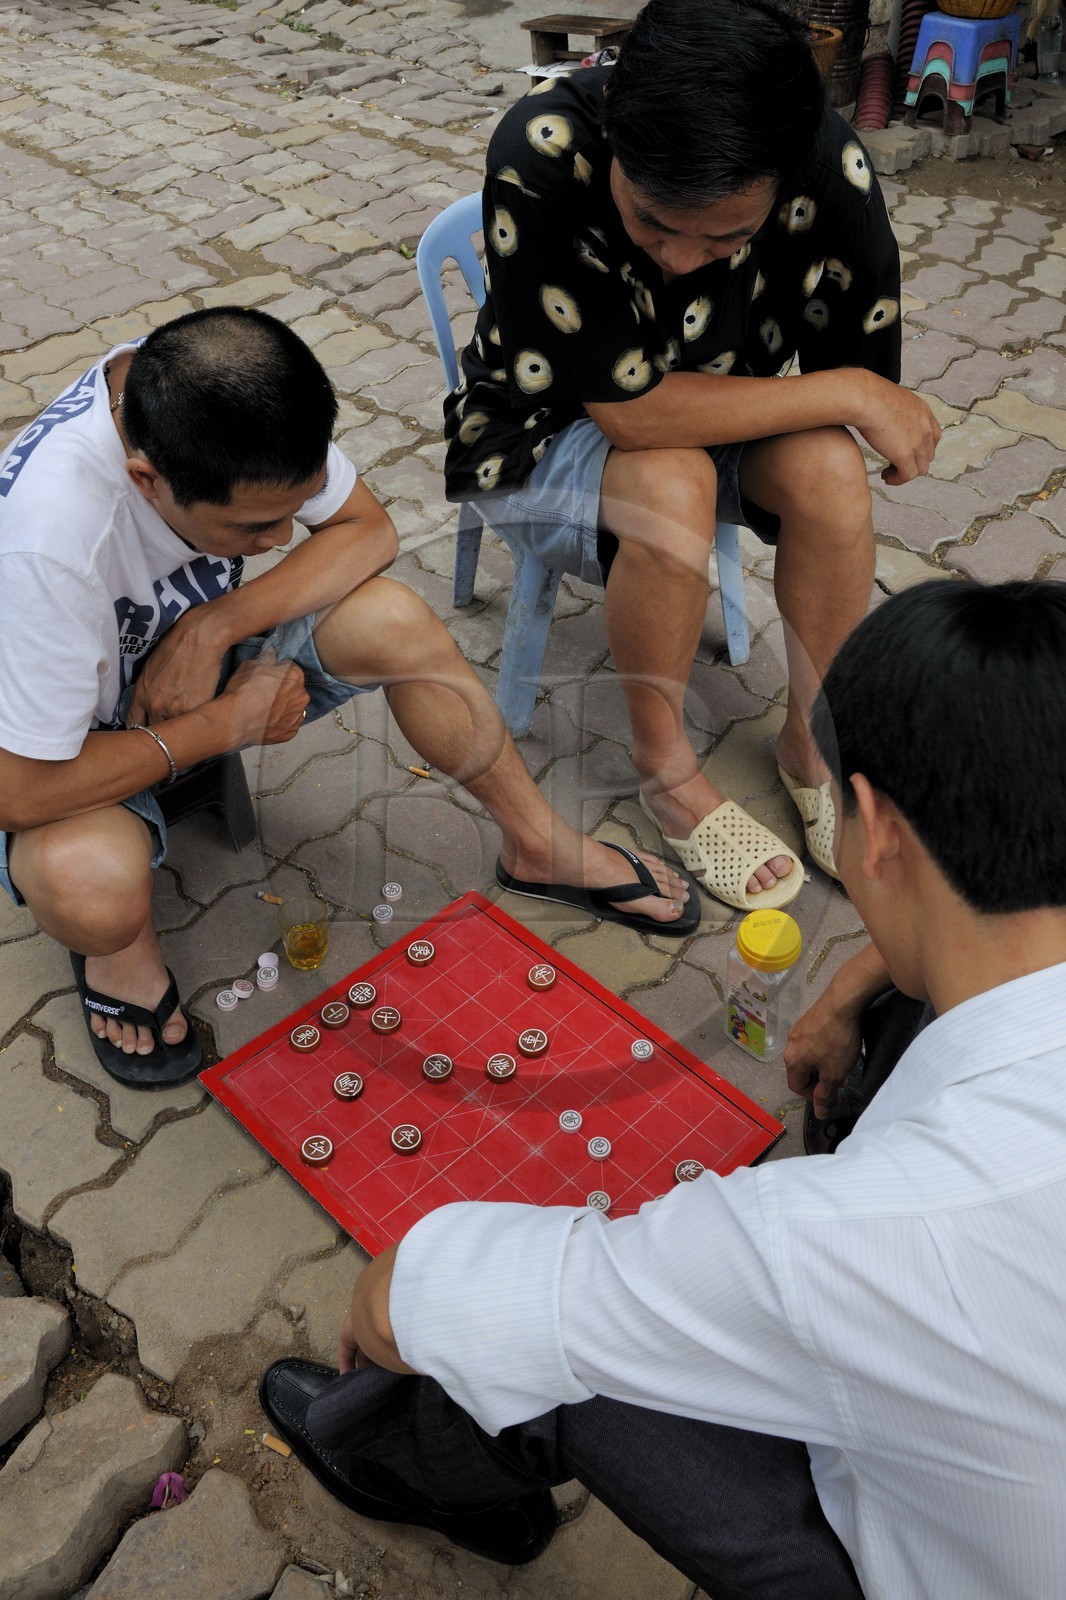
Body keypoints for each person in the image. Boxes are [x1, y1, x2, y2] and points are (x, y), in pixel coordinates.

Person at [261, 579, 1066, 1600]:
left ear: (874, 826)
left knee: (546, 1355)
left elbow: (437, 1300)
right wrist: (856, 984)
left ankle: (401, 1465)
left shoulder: (831, 1241)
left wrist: (394, 1290)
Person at [0, 307, 697, 1091]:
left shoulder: (232, 400)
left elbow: (368, 532)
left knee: (392, 619)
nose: (281, 540)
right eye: (254, 527)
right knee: (90, 887)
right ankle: (118, 954)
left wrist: (210, 625)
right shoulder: (48, 545)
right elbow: (17, 791)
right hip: (58, 747)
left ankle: (538, 846)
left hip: (183, 660)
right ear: (146, 480)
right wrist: (223, 724)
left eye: (292, 512)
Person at [443, 0, 940, 913]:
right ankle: (666, 771)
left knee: (829, 472)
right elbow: (629, 414)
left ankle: (811, 746)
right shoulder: (544, 146)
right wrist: (853, 394)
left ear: (783, 179)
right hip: (541, 426)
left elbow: (855, 378)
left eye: (726, 237)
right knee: (671, 482)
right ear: (617, 139)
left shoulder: (829, 166)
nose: (679, 260)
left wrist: (854, 395)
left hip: (713, 406)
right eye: (650, 220)